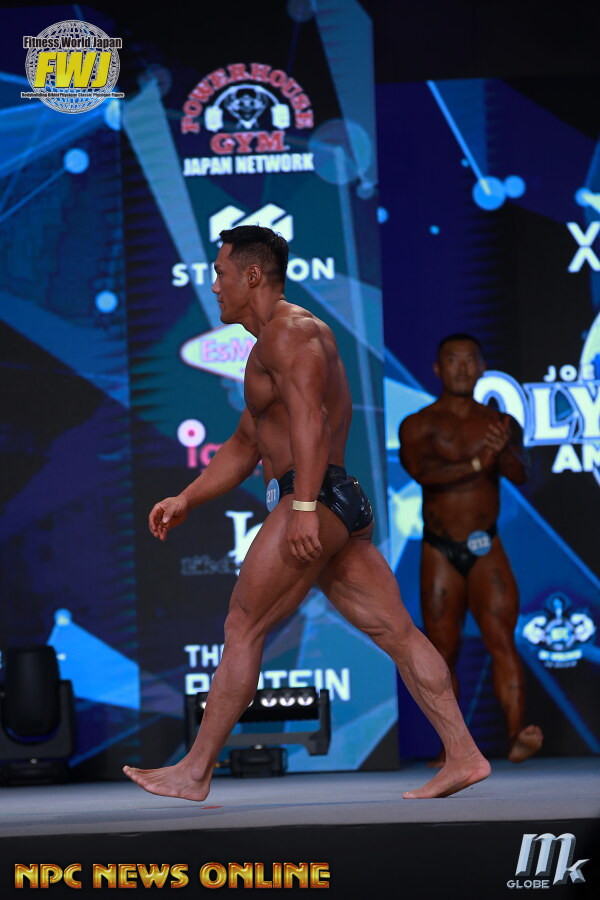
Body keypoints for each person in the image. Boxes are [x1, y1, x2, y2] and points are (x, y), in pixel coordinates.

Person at [123, 229, 490, 800]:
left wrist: (301, 508)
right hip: (330, 501)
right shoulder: (267, 346)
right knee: (396, 631)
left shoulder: (291, 332)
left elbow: (312, 420)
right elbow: (246, 443)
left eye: (220, 272)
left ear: (251, 276)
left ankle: (194, 771)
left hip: (314, 497)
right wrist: (187, 498)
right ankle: (464, 754)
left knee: (243, 625)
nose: (214, 285)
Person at [399, 334, 543, 764]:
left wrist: (505, 449)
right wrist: (481, 461)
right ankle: (452, 749)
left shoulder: (500, 424)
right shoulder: (418, 424)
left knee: (502, 641)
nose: (462, 368)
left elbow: (520, 474)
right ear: (438, 368)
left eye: (469, 360)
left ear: (482, 367)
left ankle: (516, 736)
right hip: (440, 550)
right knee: (443, 653)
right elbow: (425, 473)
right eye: (453, 360)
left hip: (485, 545)